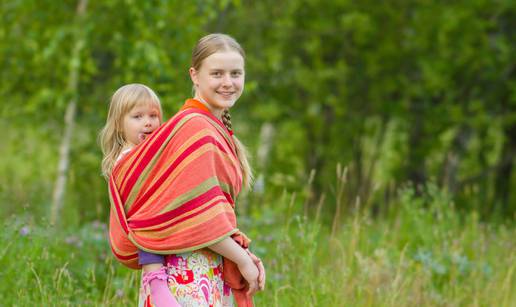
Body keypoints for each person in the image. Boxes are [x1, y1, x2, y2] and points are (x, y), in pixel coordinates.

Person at [106, 33, 265, 307]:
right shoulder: (194, 128)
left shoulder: (212, 128)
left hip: (207, 269)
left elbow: (211, 215)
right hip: (182, 278)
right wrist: (241, 258)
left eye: (235, 73)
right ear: (195, 75)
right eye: (217, 73)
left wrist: (243, 255)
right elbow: (199, 219)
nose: (228, 82)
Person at [99, 83, 180, 306]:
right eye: (137, 116)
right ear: (118, 125)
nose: (148, 122)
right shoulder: (129, 157)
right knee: (146, 217)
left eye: (154, 115)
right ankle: (156, 280)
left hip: (159, 233)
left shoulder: (146, 153)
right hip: (143, 233)